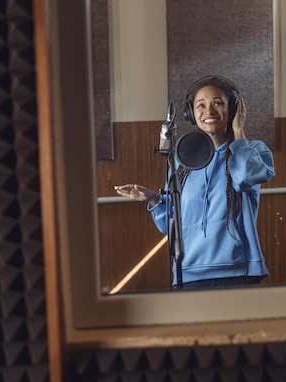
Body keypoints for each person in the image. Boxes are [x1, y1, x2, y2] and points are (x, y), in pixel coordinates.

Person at [114, 76, 275, 289]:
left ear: (234, 109)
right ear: (191, 113)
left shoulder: (253, 150)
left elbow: (245, 176)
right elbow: (172, 229)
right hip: (189, 274)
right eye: (201, 105)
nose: (209, 110)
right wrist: (154, 200)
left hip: (238, 271)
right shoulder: (182, 162)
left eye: (217, 103)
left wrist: (238, 132)